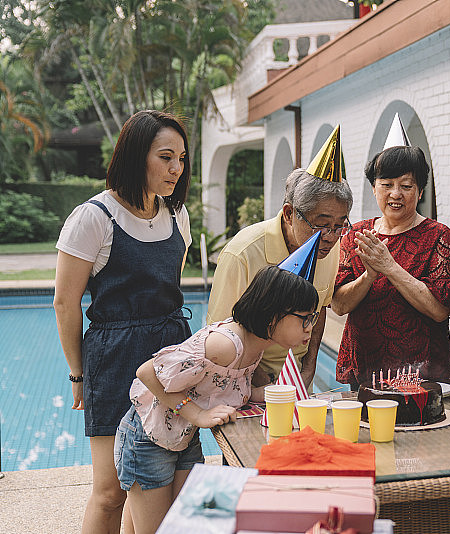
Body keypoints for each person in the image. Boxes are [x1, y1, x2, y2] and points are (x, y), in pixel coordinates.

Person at [54, 110, 193, 534]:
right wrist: (78, 374)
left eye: (182, 158)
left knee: (154, 483)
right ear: (136, 156)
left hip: (169, 359)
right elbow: (64, 302)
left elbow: (169, 287)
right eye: (165, 156)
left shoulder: (176, 215)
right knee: (112, 490)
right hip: (114, 359)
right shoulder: (93, 217)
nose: (176, 168)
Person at [116, 266, 319, 534]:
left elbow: (229, 386)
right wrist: (198, 415)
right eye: (305, 318)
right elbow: (148, 373)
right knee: (162, 530)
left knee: (178, 522)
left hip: (182, 438)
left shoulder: (256, 346)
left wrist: (273, 393)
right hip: (148, 437)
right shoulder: (225, 345)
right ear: (274, 315)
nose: (311, 327)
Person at [207, 168, 352, 389]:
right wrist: (265, 384)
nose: (331, 237)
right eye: (321, 225)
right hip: (245, 382)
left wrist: (309, 367)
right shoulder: (242, 253)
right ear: (289, 214)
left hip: (297, 379)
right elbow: (221, 331)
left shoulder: (330, 248)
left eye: (339, 225)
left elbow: (320, 307)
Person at [332, 146, 450, 389]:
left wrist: (390, 267)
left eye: (406, 186)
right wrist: (369, 275)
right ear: (373, 188)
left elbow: (440, 311)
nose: (395, 194)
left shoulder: (437, 235)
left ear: (420, 191)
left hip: (421, 371)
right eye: (386, 184)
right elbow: (339, 305)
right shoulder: (356, 235)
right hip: (364, 367)